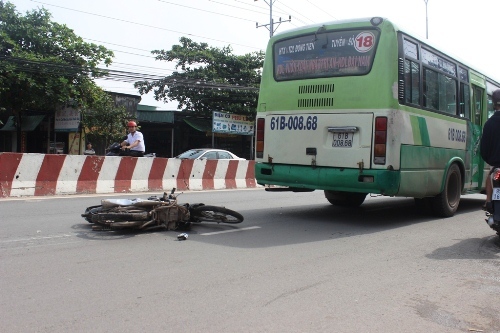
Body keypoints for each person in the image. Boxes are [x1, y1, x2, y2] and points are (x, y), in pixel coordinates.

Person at [480, 89, 500, 212]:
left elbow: (484, 148)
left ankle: (488, 200)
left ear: (493, 104)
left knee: (490, 174)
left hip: (495, 163)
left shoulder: (489, 123)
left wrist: (489, 160)